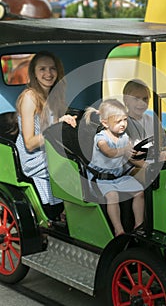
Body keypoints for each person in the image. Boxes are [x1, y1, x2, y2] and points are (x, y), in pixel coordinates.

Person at [16, 51, 77, 221]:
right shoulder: (29, 97)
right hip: (33, 156)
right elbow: (29, 143)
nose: (48, 74)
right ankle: (66, 212)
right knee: (70, 166)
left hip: (49, 150)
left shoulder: (54, 96)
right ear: (34, 73)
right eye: (42, 69)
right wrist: (57, 128)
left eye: (52, 69)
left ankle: (71, 211)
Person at [84, 99, 145, 237]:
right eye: (118, 121)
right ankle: (118, 229)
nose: (123, 124)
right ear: (105, 123)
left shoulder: (124, 136)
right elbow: (109, 152)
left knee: (140, 192)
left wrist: (140, 151)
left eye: (125, 120)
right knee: (113, 197)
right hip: (102, 179)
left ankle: (139, 225)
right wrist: (125, 150)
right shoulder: (101, 138)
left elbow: (131, 151)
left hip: (120, 176)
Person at [123, 78, 166, 161]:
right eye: (136, 99)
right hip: (133, 166)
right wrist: (147, 167)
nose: (141, 103)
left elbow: (163, 150)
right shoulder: (121, 124)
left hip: (153, 163)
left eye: (145, 99)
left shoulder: (153, 121)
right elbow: (128, 156)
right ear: (126, 100)